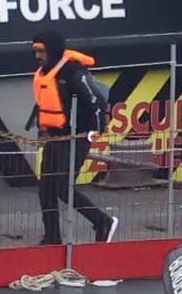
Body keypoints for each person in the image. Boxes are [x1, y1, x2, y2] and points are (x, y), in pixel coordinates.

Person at [28, 29, 118, 245]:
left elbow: (96, 101)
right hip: (54, 137)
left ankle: (102, 221)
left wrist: (95, 130)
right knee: (46, 188)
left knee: (62, 185)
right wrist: (43, 130)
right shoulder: (43, 72)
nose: (37, 56)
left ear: (52, 50)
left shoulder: (74, 72)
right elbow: (45, 105)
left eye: (41, 51)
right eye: (36, 51)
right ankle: (52, 237)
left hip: (76, 137)